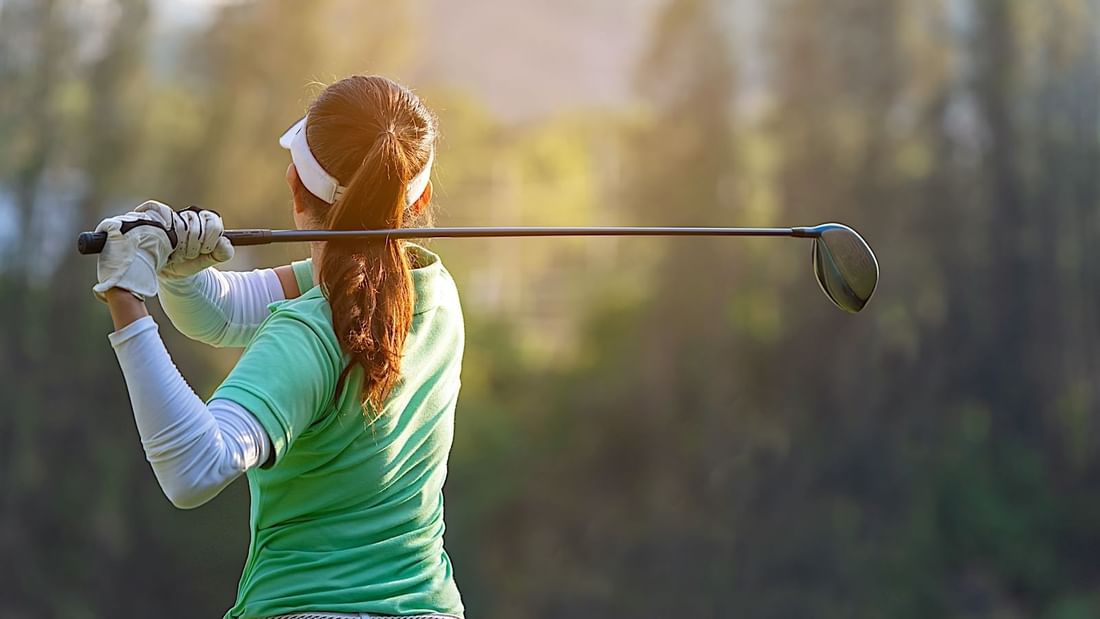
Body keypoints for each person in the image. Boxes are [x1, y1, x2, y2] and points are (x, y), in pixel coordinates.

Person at [93, 75, 464, 619]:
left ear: (295, 186)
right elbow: (224, 314)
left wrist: (125, 298)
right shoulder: (437, 296)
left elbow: (193, 468)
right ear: (420, 197)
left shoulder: (309, 332)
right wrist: (180, 274)